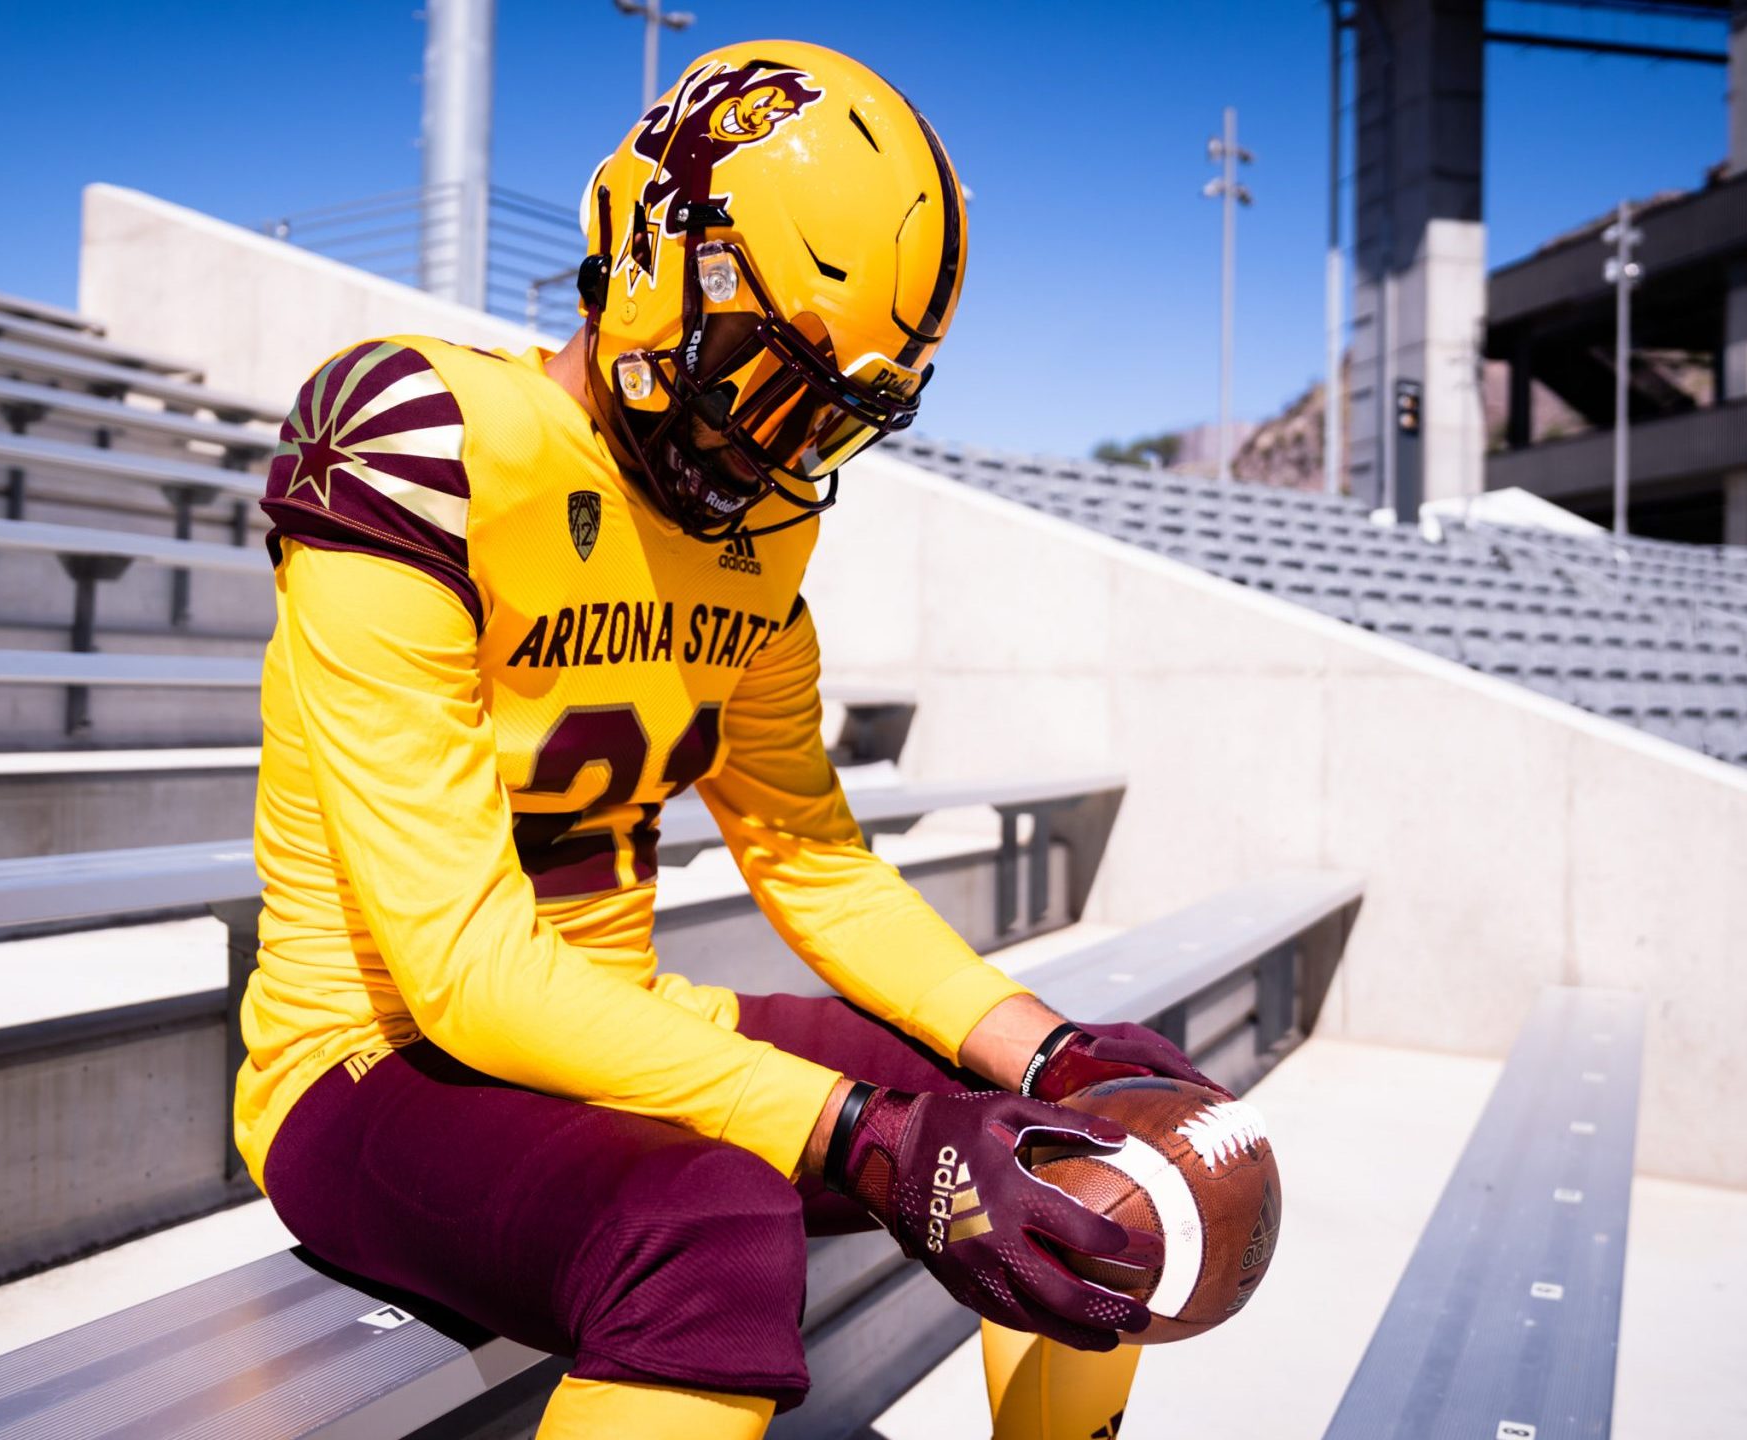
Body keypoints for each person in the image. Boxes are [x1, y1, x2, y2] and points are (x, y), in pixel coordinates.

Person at [236, 39, 1221, 1440]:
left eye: (825, 413)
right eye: (765, 372)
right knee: (705, 1233)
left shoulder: (764, 538)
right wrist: (869, 1142)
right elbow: (462, 974)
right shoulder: (420, 440)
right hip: (374, 1064)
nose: (774, 444)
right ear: (650, 250)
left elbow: (813, 859)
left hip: (603, 1023)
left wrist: (1048, 1053)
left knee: (1069, 1148)